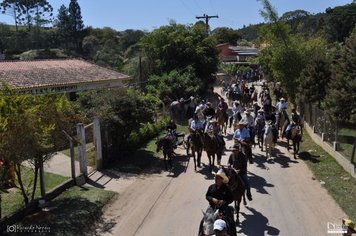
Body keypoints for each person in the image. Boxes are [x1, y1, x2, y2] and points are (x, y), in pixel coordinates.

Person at [206, 169, 236, 236]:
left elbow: (231, 198)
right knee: (203, 220)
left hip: (223, 207)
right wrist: (212, 199)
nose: (216, 180)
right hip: (212, 207)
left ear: (222, 180)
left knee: (231, 222)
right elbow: (207, 196)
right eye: (216, 178)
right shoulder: (211, 187)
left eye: (218, 178)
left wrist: (224, 201)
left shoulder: (227, 188)